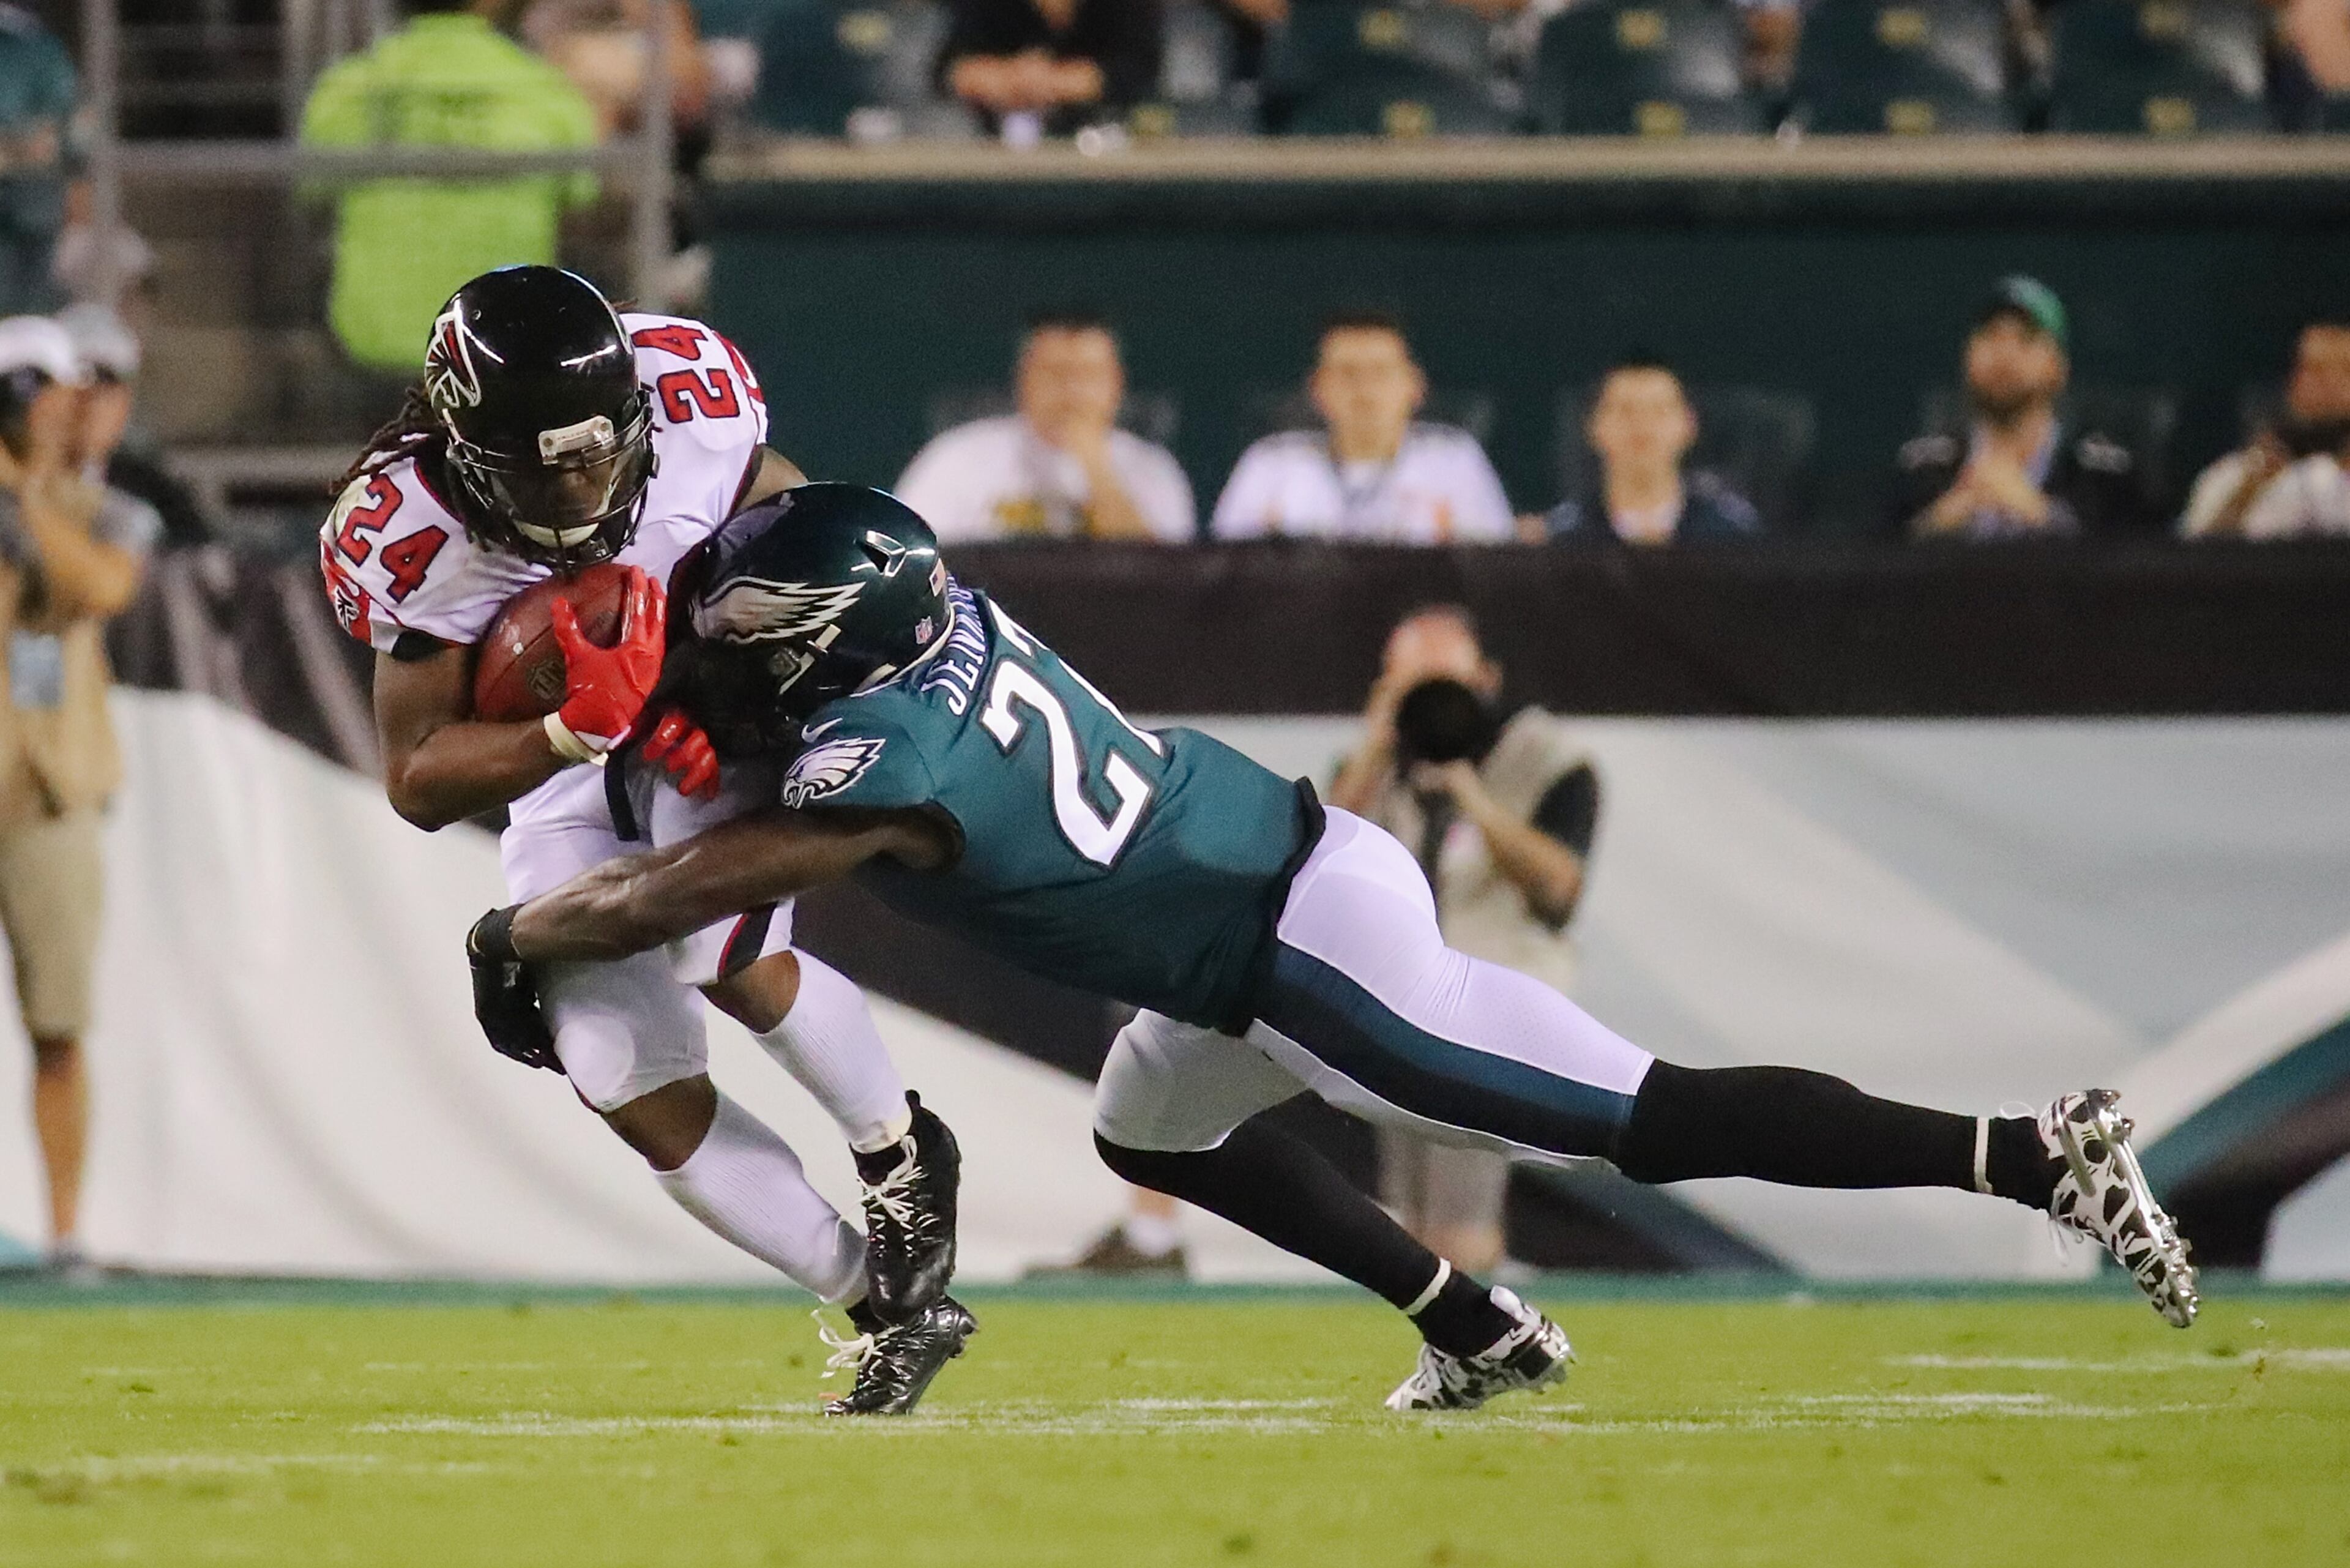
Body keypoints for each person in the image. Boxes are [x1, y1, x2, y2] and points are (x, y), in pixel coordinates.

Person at [467, 483, 2201, 1414]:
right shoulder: (939, 623)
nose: (722, 648)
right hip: (1259, 900)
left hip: (1301, 946)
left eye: (753, 630)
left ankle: (2030, 1155)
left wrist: (523, 925)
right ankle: (1474, 1324)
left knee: (1637, 1117)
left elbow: (683, 893)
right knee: (1152, 1132)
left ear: (832, 642)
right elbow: (789, 650)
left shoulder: (877, 758)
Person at [318, 267, 966, 1414]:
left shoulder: (690, 397)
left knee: (715, 946)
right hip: (565, 753)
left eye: (599, 452)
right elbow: (417, 777)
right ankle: (888, 1308)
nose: (583, 486)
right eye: (545, 466)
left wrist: (727, 683)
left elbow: (792, 526)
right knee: (616, 1064)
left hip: (711, 706)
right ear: (468, 449)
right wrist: (572, 728)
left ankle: (898, 1146)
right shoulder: (412, 531)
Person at [1326, 607, 1596, 1274]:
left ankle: (1481, 1327)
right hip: (1398, 1008)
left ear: (1488, 680)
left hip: (1494, 1010)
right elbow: (1318, 860)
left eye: (1446, 685)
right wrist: (1378, 744)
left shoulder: (1546, 759)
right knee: (1407, 1220)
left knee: (1460, 1218)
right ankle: (1459, 1327)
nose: (1434, 703)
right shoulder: (1377, 764)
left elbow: (1559, 891)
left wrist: (1472, 794)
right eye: (1413, 685)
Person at [0, 316, 155, 1277]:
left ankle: (64, 1232)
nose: (58, 409)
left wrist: (17, 497)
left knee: (59, 1020)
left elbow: (99, 586)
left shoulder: (105, 509)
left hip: (50, 789)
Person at [299, 0, 602, 378]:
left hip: (370, 346)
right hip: (503, 350)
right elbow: (582, 200)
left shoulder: (348, 87)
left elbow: (310, 192)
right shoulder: (542, 89)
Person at [1887, 276, 2154, 542]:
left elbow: (2141, 553)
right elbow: (1877, 548)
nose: (2004, 354)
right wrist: (1937, 523)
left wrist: (2041, 515)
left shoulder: (2103, 473)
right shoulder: (1921, 469)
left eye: (2026, 339)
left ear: (2059, 367)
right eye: (1990, 336)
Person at [1212, 313, 1515, 544]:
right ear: (1318, 389)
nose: (1365, 389)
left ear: (1415, 385)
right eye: (1348, 373)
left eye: (1381, 372)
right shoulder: (1271, 464)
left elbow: (1492, 571)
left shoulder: (1454, 462)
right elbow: (1224, 571)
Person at [893, 312, 1195, 543]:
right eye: (1055, 373)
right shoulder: (955, 458)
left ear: (1117, 384)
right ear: (1023, 380)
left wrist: (1096, 467)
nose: (1072, 391)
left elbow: (1165, 582)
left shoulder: (1153, 470)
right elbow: (906, 558)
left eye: (1088, 375)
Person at [1540, 358, 1762, 545]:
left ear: (1689, 425)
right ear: (1593, 426)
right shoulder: (1562, 537)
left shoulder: (1732, 534)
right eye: (1625, 410)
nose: (1642, 425)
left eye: (1659, 410)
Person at [2180, 316, 2350, 540]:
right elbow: (2192, 551)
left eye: (2345, 370)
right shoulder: (2235, 474)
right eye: (2314, 370)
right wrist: (2248, 492)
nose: (2329, 383)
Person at [56, 304, 209, 548]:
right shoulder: (13, 488)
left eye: (106, 383)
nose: (88, 402)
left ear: (125, 403)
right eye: (75, 379)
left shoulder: (159, 495)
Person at [939, 0, 1164, 138]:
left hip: (1106, 148)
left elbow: (1140, 72)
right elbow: (952, 69)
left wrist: (1055, 83)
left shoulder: (1128, 8)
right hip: (992, 146)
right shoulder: (983, 7)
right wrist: (1012, 80)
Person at [0, 6, 75, 318]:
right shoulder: (41, 47)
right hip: (32, 196)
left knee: (28, 305)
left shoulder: (40, 47)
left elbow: (69, 129)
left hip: (32, 195)